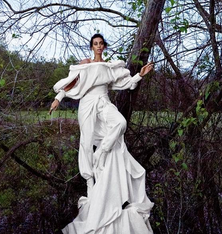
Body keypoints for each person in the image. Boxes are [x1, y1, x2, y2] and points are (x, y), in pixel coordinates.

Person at [49, 34, 154, 234]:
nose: (98, 46)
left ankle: (102, 152)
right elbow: (72, 83)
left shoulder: (109, 67)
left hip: (104, 102)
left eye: (101, 44)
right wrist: (58, 98)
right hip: (87, 104)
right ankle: (90, 182)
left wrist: (140, 75)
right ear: (92, 46)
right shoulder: (86, 64)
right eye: (95, 44)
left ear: (104, 46)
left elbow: (123, 84)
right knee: (86, 142)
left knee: (120, 123)